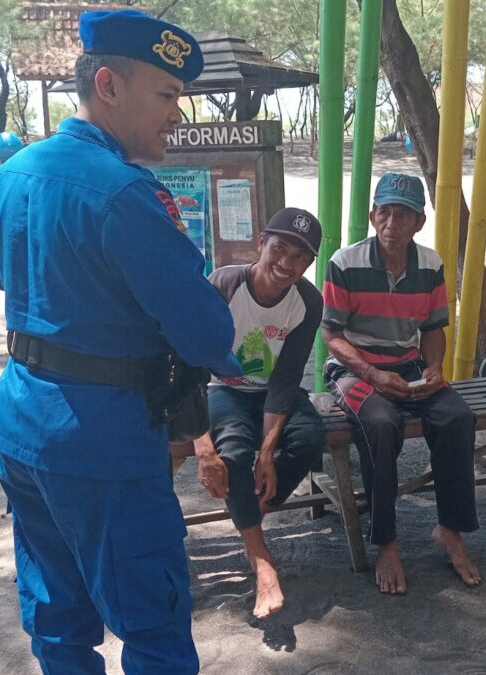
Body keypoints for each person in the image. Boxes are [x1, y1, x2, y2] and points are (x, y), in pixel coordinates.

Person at [0, 9, 240, 674]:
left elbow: (1, 273)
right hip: (106, 443)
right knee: (153, 625)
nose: (176, 115)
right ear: (109, 85)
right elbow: (206, 332)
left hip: (23, 426)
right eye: (167, 95)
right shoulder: (127, 193)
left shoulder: (14, 172)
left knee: (57, 620)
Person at [320, 172, 481, 595]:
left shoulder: (430, 264)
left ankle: (450, 529)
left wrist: (434, 367)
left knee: (457, 417)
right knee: (380, 424)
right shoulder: (345, 262)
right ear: (373, 216)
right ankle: (386, 541)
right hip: (354, 369)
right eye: (385, 213)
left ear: (419, 222)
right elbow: (331, 335)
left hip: (409, 366)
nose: (392, 224)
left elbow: (432, 328)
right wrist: (372, 374)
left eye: (403, 215)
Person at [192, 208, 326, 620]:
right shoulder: (224, 285)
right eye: (279, 248)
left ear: (310, 263)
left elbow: (286, 379)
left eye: (300, 256)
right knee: (233, 452)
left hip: (274, 393)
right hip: (224, 388)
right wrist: (201, 445)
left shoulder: (308, 301)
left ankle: (248, 518)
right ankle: (261, 557)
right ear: (261, 243)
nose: (286, 263)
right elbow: (190, 365)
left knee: (309, 439)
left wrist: (267, 454)